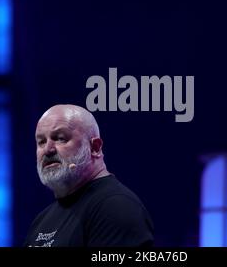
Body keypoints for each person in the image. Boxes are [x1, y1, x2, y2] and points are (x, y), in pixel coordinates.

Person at [23, 104, 154, 247]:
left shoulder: (116, 207)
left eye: (61, 138)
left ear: (95, 147)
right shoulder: (42, 220)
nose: (48, 149)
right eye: (41, 142)